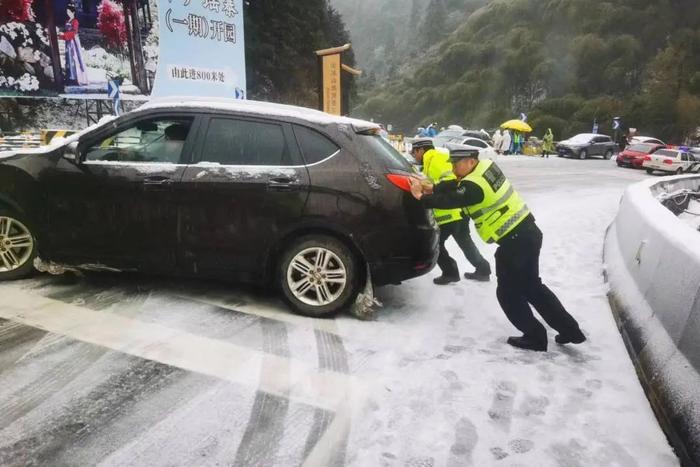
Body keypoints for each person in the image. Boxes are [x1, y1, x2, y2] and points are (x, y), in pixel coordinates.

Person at [408, 143, 586, 351]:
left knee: (508, 293)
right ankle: (570, 330)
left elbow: (454, 198)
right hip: (529, 234)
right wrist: (434, 187)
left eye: (456, 164)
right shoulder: (485, 168)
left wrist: (422, 197)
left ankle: (535, 336)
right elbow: (457, 186)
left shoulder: (474, 186)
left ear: (470, 161)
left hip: (515, 242)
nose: (453, 168)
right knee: (533, 288)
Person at [411, 138, 491, 284]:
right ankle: (483, 269)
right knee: (465, 242)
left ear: (421, 150)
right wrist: (433, 187)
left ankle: (450, 272)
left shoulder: (432, 159)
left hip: (449, 213)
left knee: (436, 245)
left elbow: (449, 183)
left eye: (413, 152)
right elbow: (452, 181)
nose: (413, 156)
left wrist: (423, 194)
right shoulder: (440, 155)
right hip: (460, 211)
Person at [59, 3, 88, 86]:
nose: (68, 13)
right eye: (67, 12)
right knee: (69, 58)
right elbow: (66, 30)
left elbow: (74, 32)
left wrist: (63, 36)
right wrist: (62, 35)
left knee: (75, 57)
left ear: (73, 12)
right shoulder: (67, 21)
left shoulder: (75, 21)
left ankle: (77, 78)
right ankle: (70, 77)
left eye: (69, 12)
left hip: (73, 41)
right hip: (68, 41)